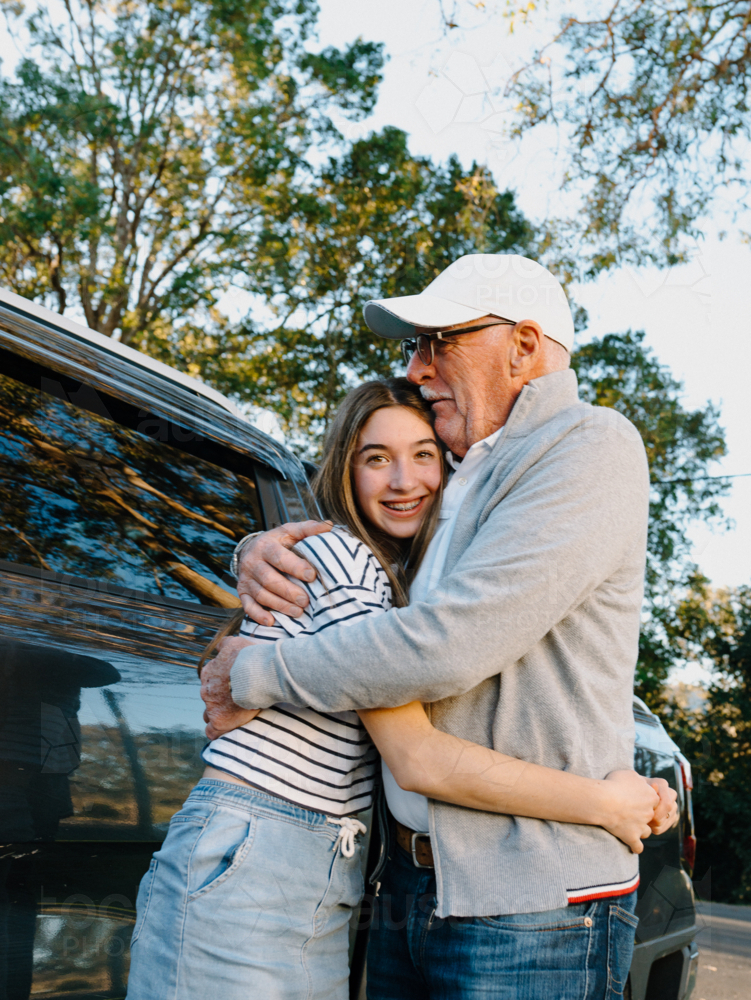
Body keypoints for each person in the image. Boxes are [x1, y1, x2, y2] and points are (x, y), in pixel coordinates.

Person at [201, 253, 663, 999]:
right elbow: (361, 571)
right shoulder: (457, 477)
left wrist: (252, 673)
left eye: (437, 341)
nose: (415, 368)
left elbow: (450, 644)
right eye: (413, 347)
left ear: (523, 346)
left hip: (530, 910)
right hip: (411, 890)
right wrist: (253, 549)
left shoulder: (588, 445)